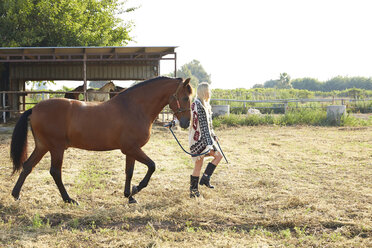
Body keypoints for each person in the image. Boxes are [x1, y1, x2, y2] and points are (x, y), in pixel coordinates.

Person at [188, 82, 223, 198]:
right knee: (199, 164)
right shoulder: (196, 105)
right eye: (209, 90)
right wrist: (174, 123)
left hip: (208, 139)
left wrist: (213, 135)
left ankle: (205, 179)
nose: (210, 92)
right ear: (204, 92)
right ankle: (195, 190)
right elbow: (190, 119)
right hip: (199, 141)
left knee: (217, 156)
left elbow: (209, 125)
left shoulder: (206, 105)